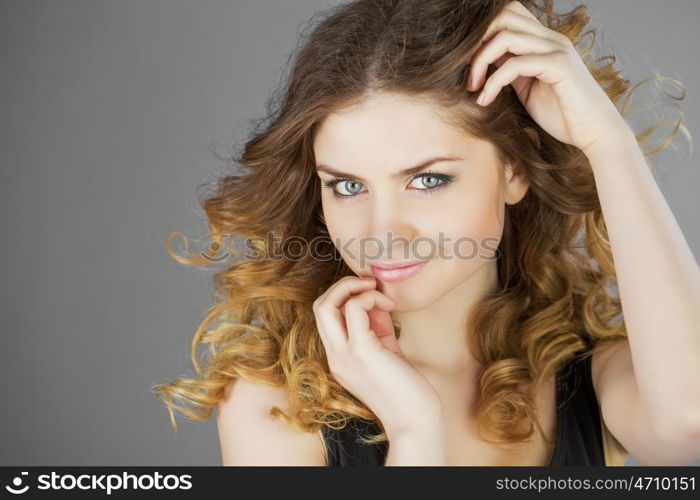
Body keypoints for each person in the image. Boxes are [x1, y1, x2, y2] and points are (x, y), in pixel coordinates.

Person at [152, 0, 700, 466]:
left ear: (514, 171)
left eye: (428, 179)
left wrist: (607, 143)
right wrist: (414, 434)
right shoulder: (274, 401)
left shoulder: (592, 376)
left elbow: (690, 420)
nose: (382, 234)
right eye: (346, 186)